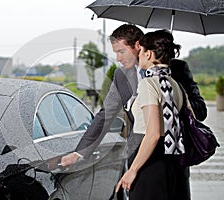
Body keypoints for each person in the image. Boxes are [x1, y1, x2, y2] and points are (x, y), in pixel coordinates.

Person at [61, 24, 206, 199]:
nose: (118, 58)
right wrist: (79, 153)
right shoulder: (121, 76)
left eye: (121, 51)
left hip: (175, 159)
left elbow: (201, 111)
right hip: (140, 158)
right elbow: (105, 116)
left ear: (138, 46)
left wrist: (171, 100)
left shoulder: (176, 70)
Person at [115, 29, 192, 199]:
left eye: (141, 50)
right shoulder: (176, 84)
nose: (139, 55)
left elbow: (154, 134)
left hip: (149, 163)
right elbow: (188, 119)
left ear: (149, 54)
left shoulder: (148, 84)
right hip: (174, 164)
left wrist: (132, 170)